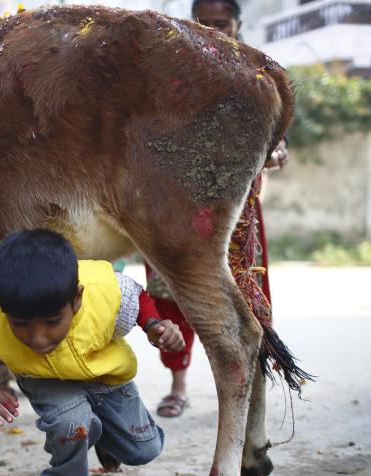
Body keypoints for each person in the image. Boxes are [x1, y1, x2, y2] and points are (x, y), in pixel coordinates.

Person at [0, 230, 185, 476]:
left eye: (52, 322)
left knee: (144, 450)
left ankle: (104, 438)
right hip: (45, 378)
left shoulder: (103, 291)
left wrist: (155, 326)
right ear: (3, 305)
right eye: (20, 324)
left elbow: (138, 298)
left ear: (76, 300)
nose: (38, 338)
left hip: (104, 373)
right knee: (72, 424)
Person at [145, 0, 288, 419]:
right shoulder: (168, 76)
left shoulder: (260, 76)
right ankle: (178, 384)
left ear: (239, 25)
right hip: (176, 203)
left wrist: (275, 152)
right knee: (174, 296)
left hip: (237, 210)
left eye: (221, 24)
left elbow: (279, 142)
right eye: (203, 24)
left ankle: (248, 393)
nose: (212, 32)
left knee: (245, 295)